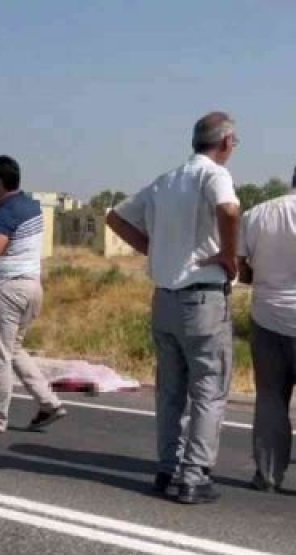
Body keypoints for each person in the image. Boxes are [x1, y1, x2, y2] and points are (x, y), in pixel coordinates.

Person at [106, 112, 242, 505]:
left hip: (165, 298)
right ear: (226, 142)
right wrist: (228, 254)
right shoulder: (213, 175)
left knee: (170, 392)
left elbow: (115, 217)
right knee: (208, 389)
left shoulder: (167, 180)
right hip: (202, 299)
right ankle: (194, 475)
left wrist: (155, 250)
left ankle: (168, 467)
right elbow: (229, 211)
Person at [0, 155, 66, 435]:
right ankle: (49, 403)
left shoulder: (6, 211)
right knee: (14, 350)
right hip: (32, 288)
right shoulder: (30, 205)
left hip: (7, 291)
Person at [237, 165, 296, 492]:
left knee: (271, 398)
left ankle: (268, 475)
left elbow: (243, 270)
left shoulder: (258, 214)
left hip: (267, 317)